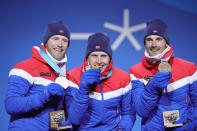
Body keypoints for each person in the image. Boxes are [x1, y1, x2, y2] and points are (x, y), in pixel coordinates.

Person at [129, 19, 197, 131]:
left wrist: (191, 124)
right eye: (149, 40)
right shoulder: (136, 72)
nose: (154, 44)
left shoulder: (189, 68)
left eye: (158, 39)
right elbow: (141, 111)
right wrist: (153, 87)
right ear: (145, 43)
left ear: (166, 42)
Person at [5, 21, 71, 131]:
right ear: (46, 42)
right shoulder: (25, 67)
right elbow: (11, 105)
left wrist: (63, 125)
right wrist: (44, 95)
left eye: (64, 40)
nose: (60, 44)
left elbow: (52, 113)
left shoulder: (62, 75)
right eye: (55, 38)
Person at [62, 32, 136, 130]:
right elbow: (74, 119)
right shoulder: (73, 76)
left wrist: (122, 128)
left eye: (103, 56)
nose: (99, 61)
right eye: (94, 55)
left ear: (110, 58)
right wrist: (83, 90)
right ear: (87, 57)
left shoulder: (123, 78)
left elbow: (129, 114)